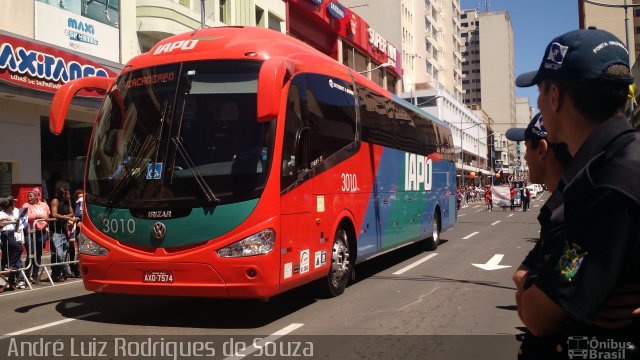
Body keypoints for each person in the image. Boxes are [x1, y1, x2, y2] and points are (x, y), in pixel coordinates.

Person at [515, 28, 640, 357]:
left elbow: (539, 315)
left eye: (540, 93)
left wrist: (529, 282)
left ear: (555, 96)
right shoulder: (618, 161)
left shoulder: (605, 185)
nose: (539, 105)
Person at [21, 188, 50, 284]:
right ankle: (27, 276)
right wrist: (40, 217)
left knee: (38, 254)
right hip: (29, 232)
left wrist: (46, 222)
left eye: (31, 196)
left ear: (37, 196)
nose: (29, 198)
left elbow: (48, 215)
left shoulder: (44, 204)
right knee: (30, 254)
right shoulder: (26, 205)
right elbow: (28, 216)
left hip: (41, 233)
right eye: (28, 196)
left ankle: (35, 275)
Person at [49, 186, 75, 282]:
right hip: (56, 231)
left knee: (64, 253)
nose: (69, 195)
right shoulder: (55, 201)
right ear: (62, 194)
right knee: (58, 254)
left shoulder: (68, 202)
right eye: (67, 194)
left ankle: (58, 274)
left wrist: (64, 217)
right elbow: (54, 214)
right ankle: (64, 270)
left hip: (64, 230)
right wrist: (67, 218)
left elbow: (72, 213)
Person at [0, 197, 24, 287]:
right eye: (12, 205)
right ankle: (8, 267)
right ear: (8, 206)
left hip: (12, 234)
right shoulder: (1, 214)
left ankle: (9, 277)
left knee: (11, 253)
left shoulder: (13, 214)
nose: (14, 206)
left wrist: (17, 222)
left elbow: (17, 227)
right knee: (18, 249)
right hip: (5, 234)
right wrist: (6, 222)